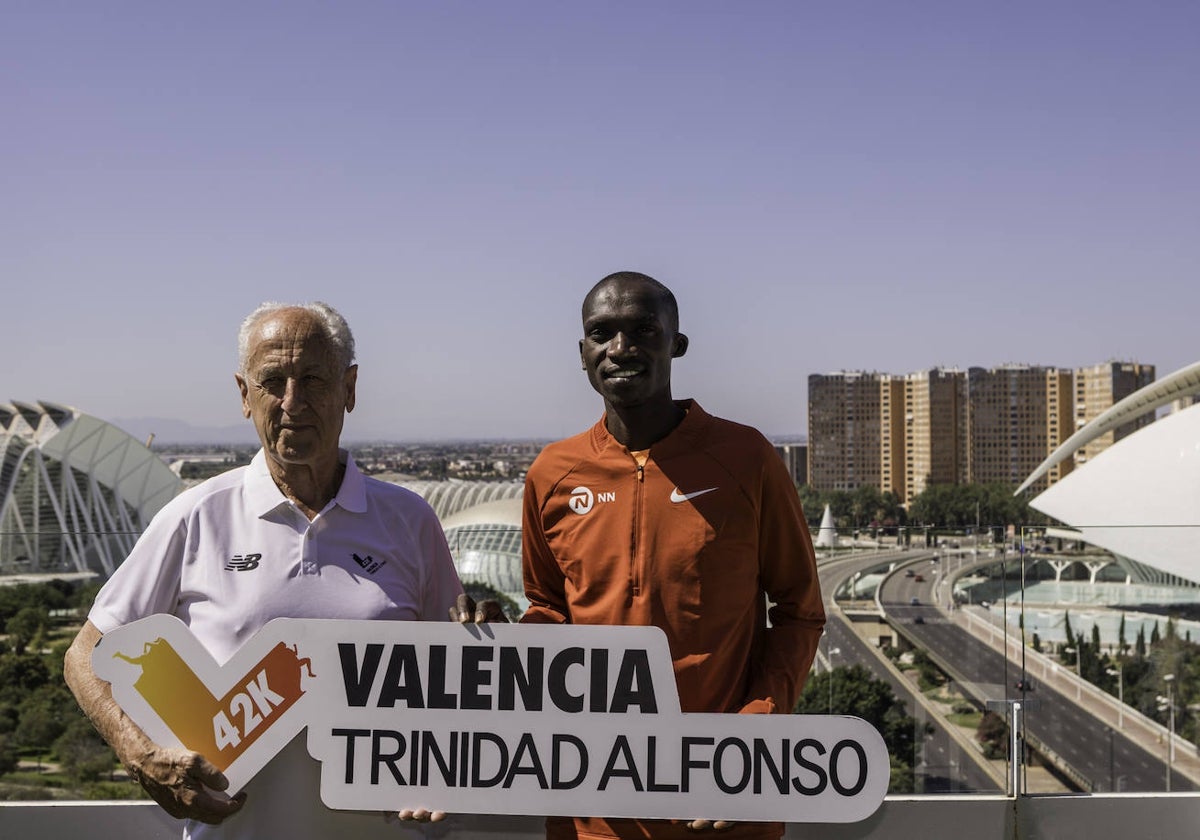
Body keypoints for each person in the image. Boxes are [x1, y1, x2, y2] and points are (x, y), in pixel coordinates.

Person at [64, 301, 464, 839]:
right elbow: (86, 655)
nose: (292, 401)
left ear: (349, 389)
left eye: (313, 379)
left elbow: (457, 685)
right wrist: (141, 755)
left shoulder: (409, 520)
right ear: (244, 395)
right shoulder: (196, 515)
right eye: (272, 381)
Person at [520, 271, 826, 840]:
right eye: (601, 333)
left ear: (677, 343)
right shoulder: (551, 473)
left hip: (723, 803)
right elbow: (549, 612)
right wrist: (488, 644)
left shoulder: (746, 457)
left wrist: (752, 735)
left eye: (643, 331)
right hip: (592, 811)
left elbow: (799, 611)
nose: (621, 349)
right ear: (582, 353)